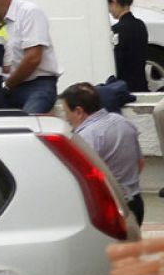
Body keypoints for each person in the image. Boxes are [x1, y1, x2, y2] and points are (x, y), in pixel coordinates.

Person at [60, 82, 143, 222]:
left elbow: (82, 179)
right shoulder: (123, 122)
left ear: (79, 111)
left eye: (66, 112)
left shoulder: (85, 137)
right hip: (136, 202)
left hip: (109, 208)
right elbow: (140, 163)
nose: (66, 118)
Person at [0, 0, 62, 114]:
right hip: (6, 86)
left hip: (36, 85)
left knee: (29, 126)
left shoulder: (29, 12)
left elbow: (33, 58)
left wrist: (6, 85)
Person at [108, 0, 148, 93]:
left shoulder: (117, 30)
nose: (109, 10)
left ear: (114, 2)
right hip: (141, 86)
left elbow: (117, 65)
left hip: (125, 90)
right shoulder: (140, 25)